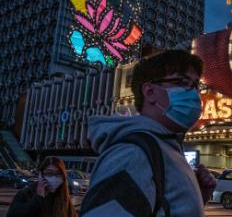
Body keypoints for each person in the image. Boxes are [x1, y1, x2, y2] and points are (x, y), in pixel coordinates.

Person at [80, 50, 216, 217]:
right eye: (183, 82)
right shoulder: (132, 153)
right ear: (150, 92)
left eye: (196, 85)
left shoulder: (166, 147)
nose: (194, 93)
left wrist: (193, 200)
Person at [7, 156, 76, 217]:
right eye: (49, 173)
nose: (54, 177)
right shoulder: (26, 194)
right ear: (40, 175)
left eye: (58, 173)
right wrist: (38, 198)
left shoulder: (64, 198)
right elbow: (13, 214)